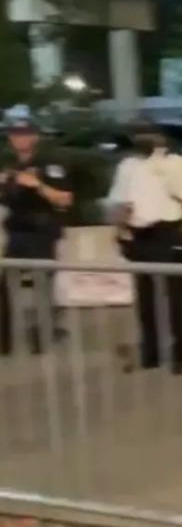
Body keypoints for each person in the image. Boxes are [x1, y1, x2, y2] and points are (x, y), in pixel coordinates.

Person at [108, 121, 182, 375]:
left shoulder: (175, 165)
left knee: (174, 299)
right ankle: (151, 352)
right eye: (138, 134)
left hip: (170, 232)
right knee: (145, 299)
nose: (144, 139)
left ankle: (180, 352)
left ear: (162, 139)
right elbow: (124, 203)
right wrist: (119, 232)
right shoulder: (127, 166)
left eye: (150, 135)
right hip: (140, 236)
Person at [0, 112, 73, 354]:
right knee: (5, 286)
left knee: (42, 285)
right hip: (16, 232)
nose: (19, 139)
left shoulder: (50, 164)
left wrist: (37, 185)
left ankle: (42, 338)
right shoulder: (10, 167)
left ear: (35, 137)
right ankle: (5, 342)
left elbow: (64, 200)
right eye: (14, 135)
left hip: (41, 231)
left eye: (24, 134)